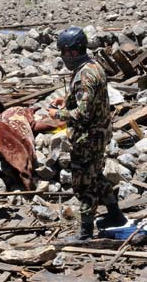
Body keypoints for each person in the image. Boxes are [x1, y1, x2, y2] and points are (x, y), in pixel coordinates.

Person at [48, 26, 127, 241]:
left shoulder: (85, 74)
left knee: (84, 184)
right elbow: (90, 101)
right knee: (96, 176)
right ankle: (115, 216)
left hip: (88, 137)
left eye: (64, 53)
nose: (63, 57)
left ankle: (85, 232)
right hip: (98, 133)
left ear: (72, 51)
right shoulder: (93, 66)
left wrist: (58, 113)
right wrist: (66, 101)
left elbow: (83, 113)